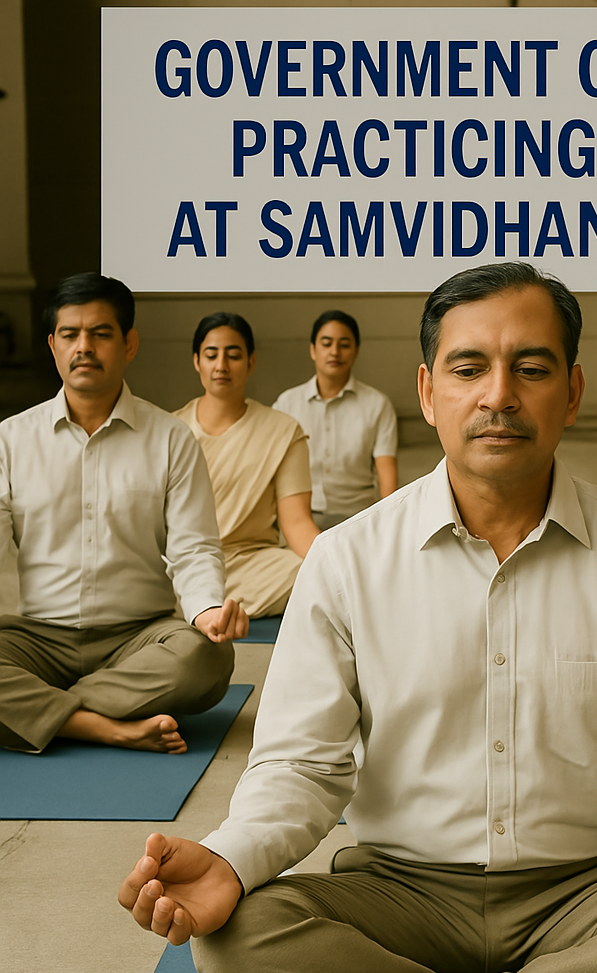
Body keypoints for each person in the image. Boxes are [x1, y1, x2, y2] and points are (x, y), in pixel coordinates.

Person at [120, 262, 597, 973]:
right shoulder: (347, 560)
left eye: (530, 368)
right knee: (236, 937)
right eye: (468, 367)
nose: (498, 394)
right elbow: (300, 766)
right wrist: (232, 857)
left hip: (589, 892)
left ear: (571, 392)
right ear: (427, 390)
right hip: (400, 891)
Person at [0, 273, 246, 755]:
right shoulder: (10, 440)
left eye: (101, 334)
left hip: (139, 640)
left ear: (129, 344)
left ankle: (40, 713)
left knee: (206, 659)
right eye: (70, 335)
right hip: (39, 640)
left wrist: (206, 609)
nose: (84, 347)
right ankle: (104, 726)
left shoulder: (171, 438)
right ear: (53, 346)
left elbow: (193, 546)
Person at [175, 313, 320, 619]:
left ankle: (204, 607)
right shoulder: (170, 430)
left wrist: (336, 564)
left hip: (253, 564)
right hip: (183, 561)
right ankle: (207, 603)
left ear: (251, 362)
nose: (221, 366)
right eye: (211, 355)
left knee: (309, 572)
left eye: (234, 355)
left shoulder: (283, 430)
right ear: (196, 361)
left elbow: (296, 522)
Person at [273, 310, 398, 529]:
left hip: (358, 517)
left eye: (344, 344)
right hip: (300, 515)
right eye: (326, 343)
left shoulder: (377, 404)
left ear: (356, 351)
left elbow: (386, 469)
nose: (335, 352)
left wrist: (390, 523)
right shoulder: (287, 403)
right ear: (313, 349)